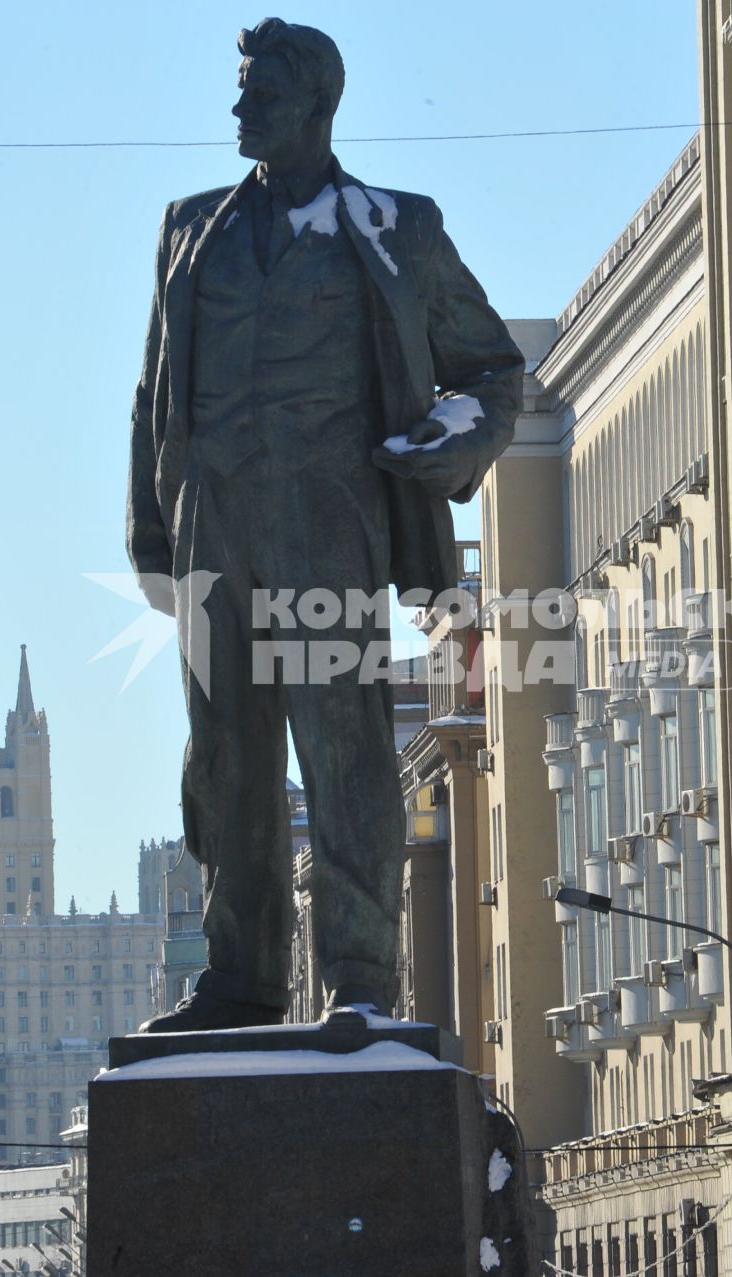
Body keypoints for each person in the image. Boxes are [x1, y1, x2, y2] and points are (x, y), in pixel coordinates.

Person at [126, 18, 524, 1031]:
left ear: (312, 100)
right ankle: (242, 975)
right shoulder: (191, 228)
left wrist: (452, 435)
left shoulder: (395, 229)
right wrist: (149, 531)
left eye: (256, 88)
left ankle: (358, 976)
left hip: (326, 521)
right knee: (223, 758)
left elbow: (488, 369)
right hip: (215, 525)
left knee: (340, 746)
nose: (238, 107)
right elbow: (152, 394)